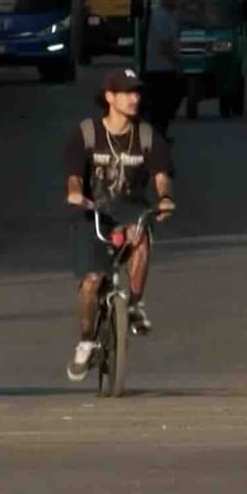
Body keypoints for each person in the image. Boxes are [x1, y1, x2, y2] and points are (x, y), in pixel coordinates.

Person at [64, 68, 176, 381]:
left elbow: (161, 175)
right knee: (91, 280)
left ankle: (136, 304)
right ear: (110, 98)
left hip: (130, 210)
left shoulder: (146, 135)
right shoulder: (86, 133)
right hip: (93, 212)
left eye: (136, 92)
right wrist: (75, 193)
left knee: (141, 236)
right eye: (126, 92)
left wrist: (165, 198)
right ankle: (86, 341)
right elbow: (74, 173)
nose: (134, 98)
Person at [141, 0, 182, 138]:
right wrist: (175, 62)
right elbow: (164, 44)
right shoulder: (160, 16)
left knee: (167, 101)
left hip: (164, 67)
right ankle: (157, 132)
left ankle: (160, 131)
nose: (179, 1)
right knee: (165, 101)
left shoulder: (169, 16)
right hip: (160, 67)